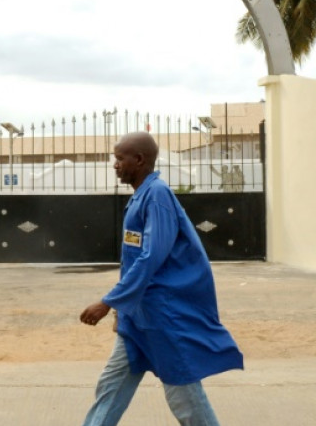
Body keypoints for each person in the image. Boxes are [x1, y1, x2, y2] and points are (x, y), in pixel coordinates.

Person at [79, 132, 243, 426]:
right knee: (111, 388)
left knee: (185, 400)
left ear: (139, 160)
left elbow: (152, 257)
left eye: (119, 159)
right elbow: (133, 261)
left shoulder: (157, 196)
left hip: (162, 319)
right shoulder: (141, 196)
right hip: (138, 318)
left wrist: (107, 302)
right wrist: (122, 310)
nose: (114, 165)